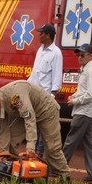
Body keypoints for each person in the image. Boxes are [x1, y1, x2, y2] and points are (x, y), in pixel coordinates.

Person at [0, 80, 70, 180]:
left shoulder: (16, 96)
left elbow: (29, 118)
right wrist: (4, 152)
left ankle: (64, 175)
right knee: (12, 142)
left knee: (52, 148)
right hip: (23, 114)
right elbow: (4, 130)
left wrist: (30, 146)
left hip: (46, 111)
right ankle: (13, 173)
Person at [61, 44, 92, 183]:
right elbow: (84, 90)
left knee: (70, 141)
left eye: (82, 55)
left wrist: (75, 101)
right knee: (89, 144)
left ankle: (60, 169)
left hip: (84, 112)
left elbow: (91, 94)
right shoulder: (85, 70)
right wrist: (74, 95)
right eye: (78, 55)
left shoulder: (91, 71)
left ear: (90, 56)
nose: (79, 57)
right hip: (86, 112)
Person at [27, 23, 63, 157]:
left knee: (43, 128)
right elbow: (35, 73)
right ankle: (33, 153)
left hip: (45, 96)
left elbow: (57, 77)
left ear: (48, 35)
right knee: (34, 125)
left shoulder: (56, 53)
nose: (39, 35)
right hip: (34, 94)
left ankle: (38, 155)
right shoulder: (40, 50)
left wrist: (51, 97)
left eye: (41, 33)